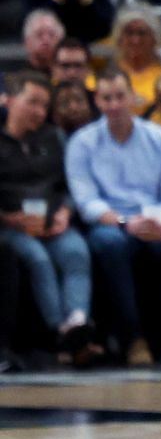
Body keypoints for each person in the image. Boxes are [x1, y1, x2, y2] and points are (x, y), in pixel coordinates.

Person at [65, 72, 161, 366]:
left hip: (156, 221)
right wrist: (125, 223)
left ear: (133, 98)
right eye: (107, 98)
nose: (114, 105)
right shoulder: (82, 142)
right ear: (97, 101)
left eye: (120, 96)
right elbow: (87, 202)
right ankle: (133, 339)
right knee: (110, 245)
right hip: (111, 223)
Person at [0, 73, 99, 362]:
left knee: (76, 252)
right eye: (32, 103)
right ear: (11, 100)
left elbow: (72, 185)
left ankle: (78, 322)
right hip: (11, 225)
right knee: (37, 259)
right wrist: (7, 218)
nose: (39, 112)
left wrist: (65, 212)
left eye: (44, 106)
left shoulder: (53, 137)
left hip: (51, 220)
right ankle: (61, 333)